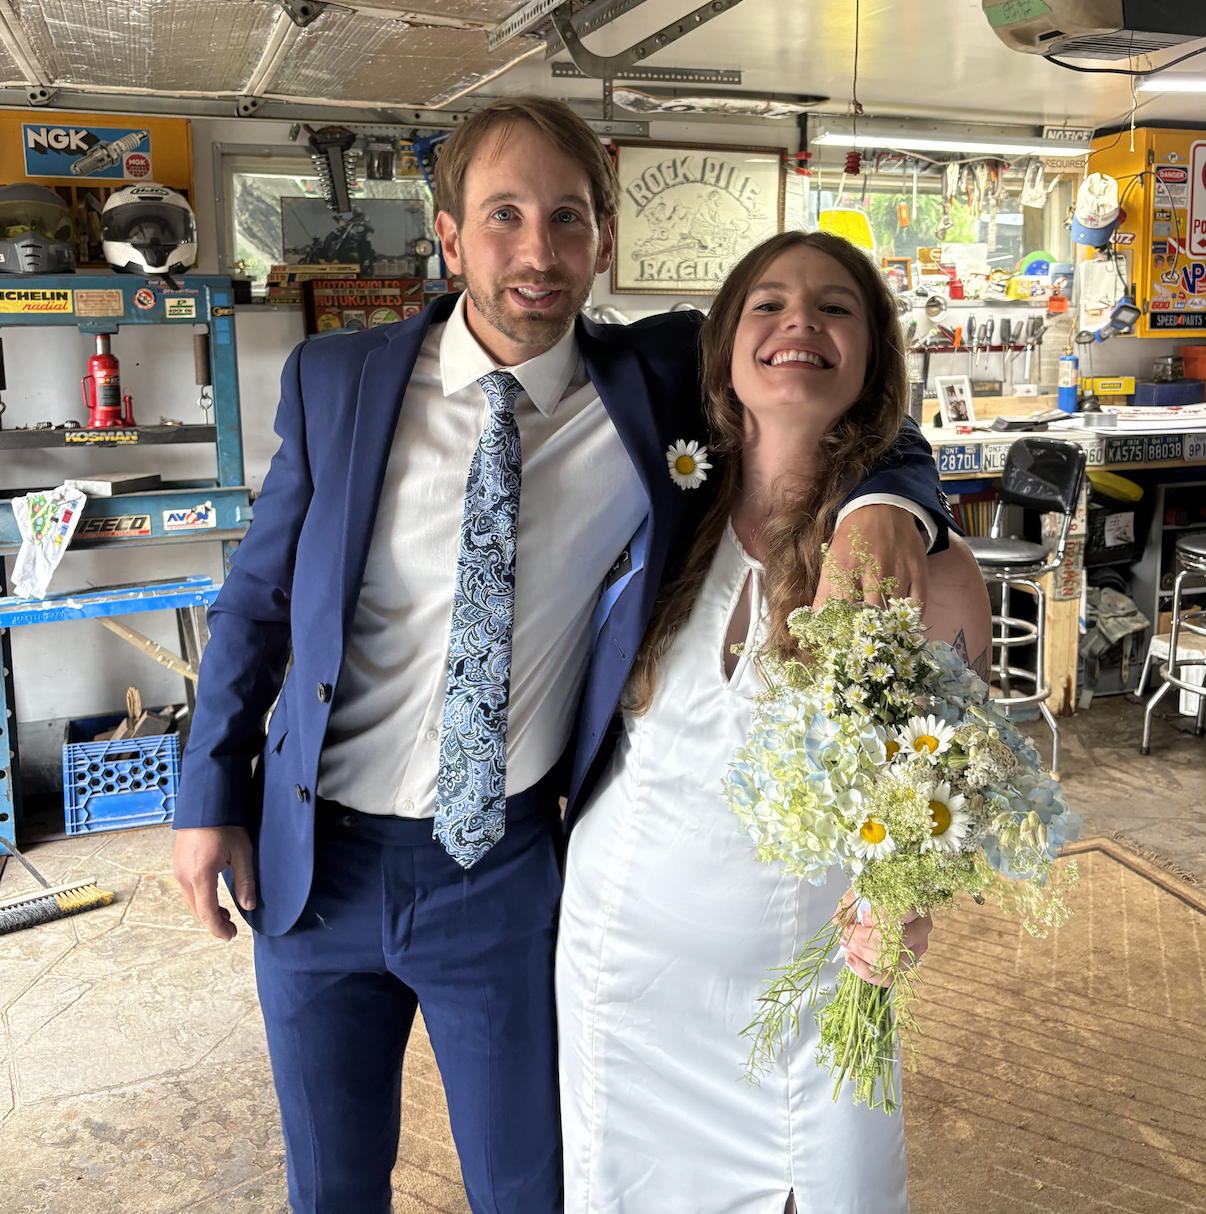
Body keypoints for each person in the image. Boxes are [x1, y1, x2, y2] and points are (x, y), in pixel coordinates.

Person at [170, 97, 960, 1214]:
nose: (537, 252)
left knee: (527, 1188)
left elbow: (830, 385)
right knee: (332, 1185)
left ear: (603, 239)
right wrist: (208, 794)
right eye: (504, 216)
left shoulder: (653, 377)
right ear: (450, 238)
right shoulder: (337, 380)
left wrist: (886, 502)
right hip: (316, 863)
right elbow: (256, 602)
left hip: (501, 872)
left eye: (568, 218)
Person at [555, 230, 992, 1214]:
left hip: (809, 989)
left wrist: (907, 897)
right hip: (621, 967)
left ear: (873, 357)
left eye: (837, 307)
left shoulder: (923, 567)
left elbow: (944, 791)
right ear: (722, 352)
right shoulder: (655, 514)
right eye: (769, 304)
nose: (802, 321)